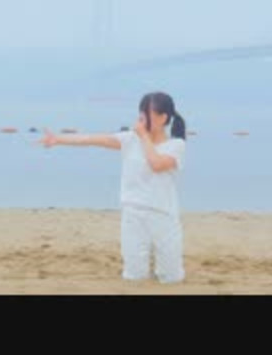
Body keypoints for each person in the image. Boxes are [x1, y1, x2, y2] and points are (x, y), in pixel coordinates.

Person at [39, 92, 188, 284]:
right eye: (141, 115)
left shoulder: (176, 145)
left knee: (171, 277)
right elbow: (92, 139)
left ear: (162, 118)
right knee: (134, 275)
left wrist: (143, 136)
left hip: (163, 215)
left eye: (146, 115)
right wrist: (58, 139)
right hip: (133, 213)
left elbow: (156, 164)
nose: (141, 120)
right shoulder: (130, 139)